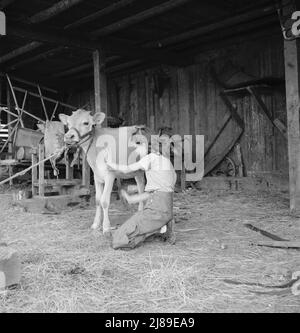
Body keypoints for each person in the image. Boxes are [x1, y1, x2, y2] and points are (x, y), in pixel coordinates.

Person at [106, 135, 177, 250]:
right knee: (139, 230)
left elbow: (127, 169)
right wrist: (130, 198)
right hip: (166, 210)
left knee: (121, 236)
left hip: (156, 209)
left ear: (147, 147)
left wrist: (110, 164)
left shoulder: (152, 158)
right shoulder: (168, 163)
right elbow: (158, 192)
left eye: (137, 147)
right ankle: (163, 228)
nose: (136, 151)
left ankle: (120, 239)